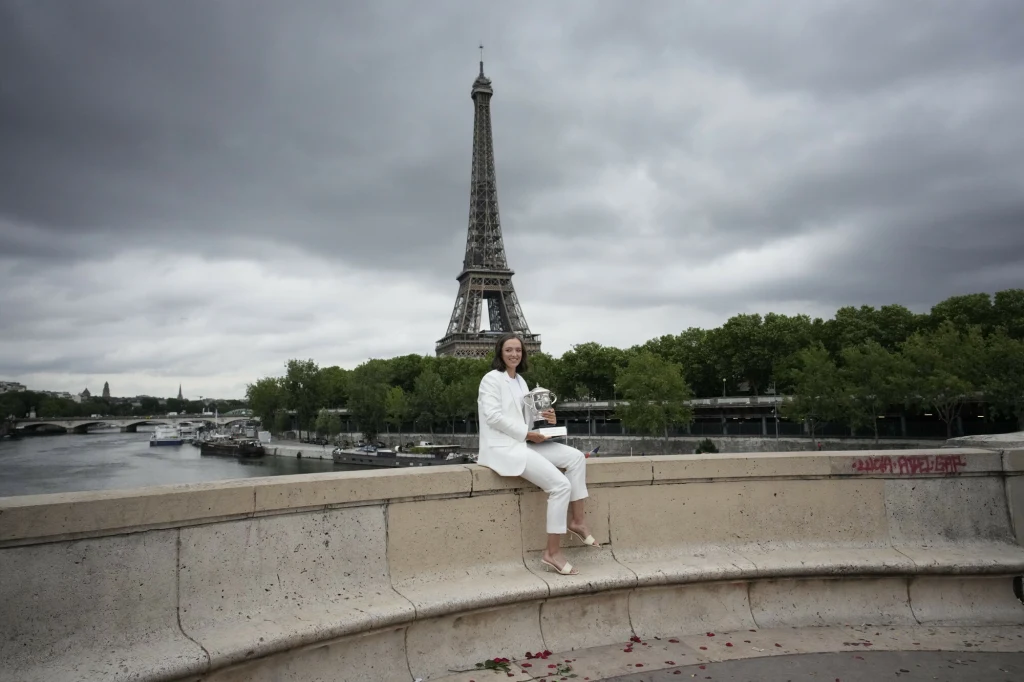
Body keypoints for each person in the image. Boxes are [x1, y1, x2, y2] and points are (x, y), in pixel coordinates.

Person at [477, 332, 599, 576]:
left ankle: (577, 521)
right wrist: (528, 433)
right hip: (504, 448)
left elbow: (528, 417)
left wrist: (546, 418)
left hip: (523, 441)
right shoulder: (491, 380)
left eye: (518, 350)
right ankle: (552, 553)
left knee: (575, 457)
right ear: (500, 352)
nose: (514, 354)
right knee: (560, 486)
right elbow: (493, 417)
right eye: (509, 350)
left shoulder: (520, 381)